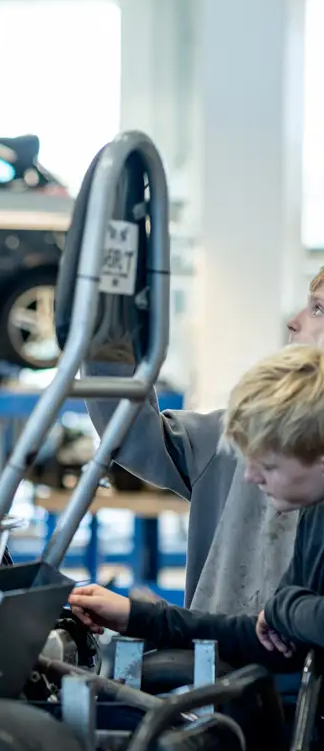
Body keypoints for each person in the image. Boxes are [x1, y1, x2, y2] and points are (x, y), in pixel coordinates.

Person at [83, 269, 324, 616]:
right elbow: (132, 434)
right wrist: (109, 326)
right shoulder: (240, 437)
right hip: (219, 650)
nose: (294, 321)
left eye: (318, 309)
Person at [69, 343, 324, 669]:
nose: (250, 476)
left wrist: (282, 608)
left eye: (269, 465)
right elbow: (267, 638)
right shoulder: (313, 514)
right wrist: (137, 616)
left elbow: (292, 622)